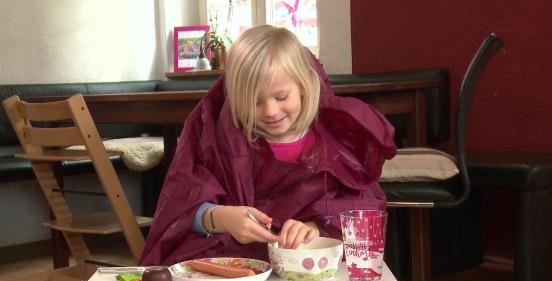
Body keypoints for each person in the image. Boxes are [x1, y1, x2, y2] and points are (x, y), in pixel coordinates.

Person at [139, 25, 396, 266]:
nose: (271, 111)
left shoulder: (335, 144)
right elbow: (179, 207)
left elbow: (364, 208)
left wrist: (316, 228)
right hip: (239, 273)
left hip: (306, 274)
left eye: (281, 97)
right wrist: (220, 218)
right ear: (234, 99)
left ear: (305, 84)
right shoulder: (219, 144)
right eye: (255, 102)